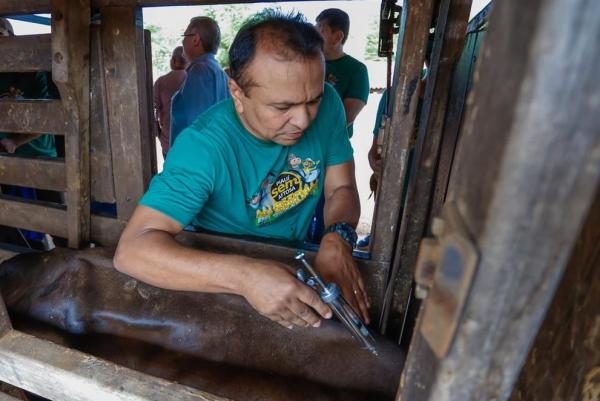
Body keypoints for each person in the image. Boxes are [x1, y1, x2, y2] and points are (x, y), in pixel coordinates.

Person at [114, 10, 370, 331]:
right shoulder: (204, 146)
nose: (304, 120)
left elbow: (340, 189)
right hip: (218, 270)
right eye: (282, 107)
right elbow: (132, 250)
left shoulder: (329, 103)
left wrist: (337, 237)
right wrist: (245, 277)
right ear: (237, 93)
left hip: (293, 255)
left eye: (312, 101)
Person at [169, 16, 230, 146]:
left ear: (195, 39)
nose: (183, 42)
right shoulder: (218, 72)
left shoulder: (200, 71)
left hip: (195, 158)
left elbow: (197, 126)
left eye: (184, 36)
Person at [316, 8, 369, 138]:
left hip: (333, 147)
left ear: (337, 37)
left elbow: (345, 118)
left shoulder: (357, 70)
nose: (315, 36)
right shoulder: (307, 64)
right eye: (315, 29)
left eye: (321, 30)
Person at [153, 46, 187, 157]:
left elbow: (152, 112)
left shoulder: (161, 82)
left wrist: (159, 133)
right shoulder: (194, 79)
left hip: (169, 142)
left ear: (173, 60)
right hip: (191, 142)